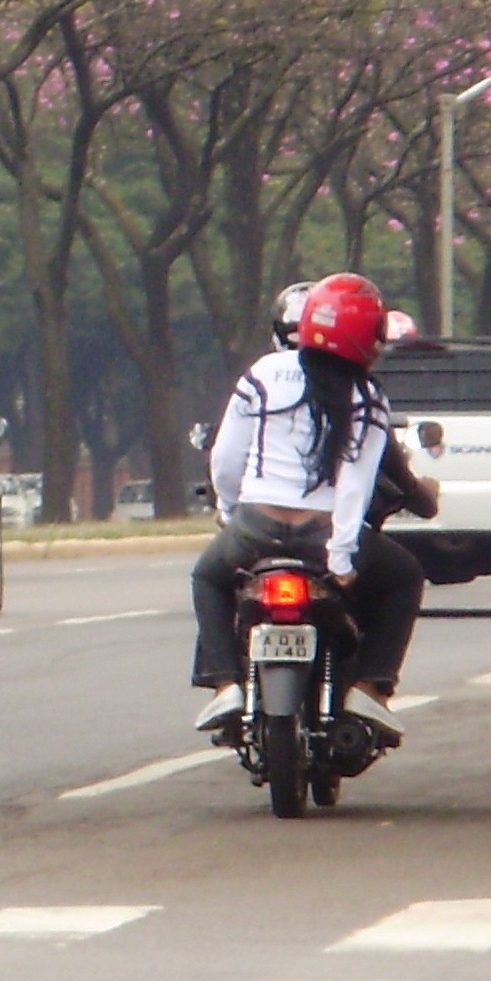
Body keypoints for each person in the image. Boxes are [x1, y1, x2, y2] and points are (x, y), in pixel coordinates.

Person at [188, 274, 420, 739]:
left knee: (208, 577)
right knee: (404, 576)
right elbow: (354, 486)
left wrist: (232, 514)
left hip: (256, 528)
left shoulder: (262, 375)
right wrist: (340, 558)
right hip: (322, 539)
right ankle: (371, 688)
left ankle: (225, 684)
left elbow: (227, 460)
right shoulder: (368, 398)